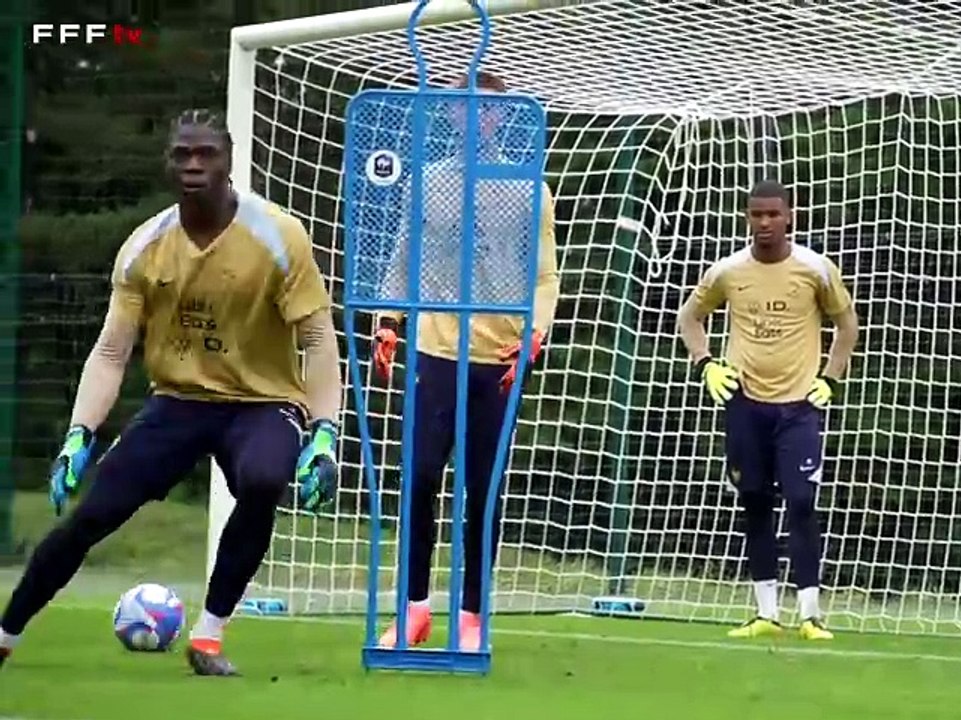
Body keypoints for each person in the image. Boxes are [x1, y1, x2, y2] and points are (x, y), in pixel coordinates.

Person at [0, 109, 342, 676]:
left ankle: (208, 638)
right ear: (168, 163)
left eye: (205, 153)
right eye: (181, 154)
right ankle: (6, 634)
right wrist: (77, 436)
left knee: (262, 480)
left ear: (229, 159)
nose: (193, 164)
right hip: (179, 402)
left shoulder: (280, 237)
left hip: (262, 402)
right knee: (93, 515)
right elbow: (111, 352)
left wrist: (324, 432)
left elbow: (317, 340)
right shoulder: (144, 248)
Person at [372, 70, 560, 652]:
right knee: (421, 476)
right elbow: (407, 253)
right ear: (451, 117)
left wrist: (536, 332)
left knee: (484, 486)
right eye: (463, 108)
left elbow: (546, 274)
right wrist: (387, 318)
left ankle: (473, 615)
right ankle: (414, 608)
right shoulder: (427, 181)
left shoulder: (531, 188)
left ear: (501, 117)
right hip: (436, 349)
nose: (474, 117)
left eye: (485, 109)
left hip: (499, 355)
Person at [677, 179, 858, 641]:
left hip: (799, 404)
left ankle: (811, 615)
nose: (764, 223)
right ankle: (765, 613)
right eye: (756, 214)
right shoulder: (728, 271)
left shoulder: (816, 269)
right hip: (744, 402)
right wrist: (706, 365)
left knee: (800, 502)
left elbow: (846, 323)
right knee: (754, 500)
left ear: (790, 216)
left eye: (773, 214)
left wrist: (830, 378)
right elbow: (689, 317)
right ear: (747, 218)